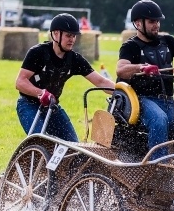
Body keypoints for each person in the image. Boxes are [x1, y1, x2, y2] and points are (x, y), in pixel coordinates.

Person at [116, 0, 174, 161]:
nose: (157, 25)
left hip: (168, 102)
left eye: (158, 21)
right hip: (142, 101)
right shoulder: (130, 47)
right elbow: (121, 69)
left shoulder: (168, 41)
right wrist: (141, 68)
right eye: (152, 21)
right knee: (159, 120)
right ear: (138, 23)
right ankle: (159, 169)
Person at [15, 13, 114, 141]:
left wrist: (124, 91)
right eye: (68, 35)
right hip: (28, 105)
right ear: (56, 34)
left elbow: (101, 81)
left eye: (74, 36)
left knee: (73, 148)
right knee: (40, 141)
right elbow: (20, 82)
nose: (72, 39)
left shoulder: (75, 59)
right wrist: (41, 93)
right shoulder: (37, 53)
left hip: (52, 107)